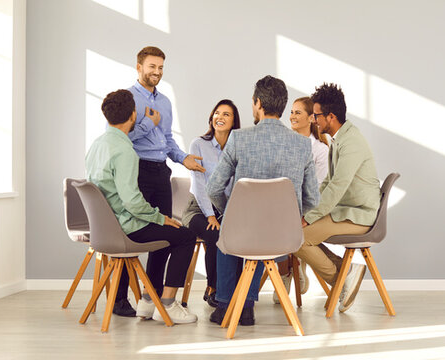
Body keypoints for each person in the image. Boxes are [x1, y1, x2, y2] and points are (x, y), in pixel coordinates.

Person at [206, 75, 319, 325]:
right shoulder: (302, 145)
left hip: (243, 231)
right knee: (261, 232)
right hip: (283, 236)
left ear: (257, 103)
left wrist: (229, 211)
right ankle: (246, 305)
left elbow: (213, 188)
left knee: (231, 225)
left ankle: (224, 305)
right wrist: (294, 215)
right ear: (282, 105)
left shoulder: (239, 138)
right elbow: (313, 198)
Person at [85, 89, 198, 324]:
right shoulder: (125, 150)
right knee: (185, 236)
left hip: (107, 228)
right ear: (134, 115)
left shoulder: (97, 145)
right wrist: (160, 218)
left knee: (174, 232)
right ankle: (167, 304)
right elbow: (132, 202)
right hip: (126, 227)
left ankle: (149, 301)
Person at [110, 46, 207, 317]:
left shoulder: (164, 101)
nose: (157, 72)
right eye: (152, 66)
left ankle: (149, 300)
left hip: (160, 171)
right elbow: (119, 138)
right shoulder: (127, 99)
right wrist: (146, 125)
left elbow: (167, 139)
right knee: (131, 232)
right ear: (139, 66)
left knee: (163, 239)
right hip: (136, 170)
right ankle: (118, 301)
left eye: (161, 67)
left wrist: (182, 158)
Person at [293, 83, 380, 313]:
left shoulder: (351, 143)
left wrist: (309, 218)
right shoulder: (340, 138)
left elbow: (337, 188)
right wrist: (308, 210)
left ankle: (341, 279)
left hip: (360, 215)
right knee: (297, 234)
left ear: (330, 117)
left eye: (317, 115)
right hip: (347, 210)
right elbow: (327, 183)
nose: (314, 120)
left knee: (296, 239)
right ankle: (345, 272)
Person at [181, 99, 241, 308]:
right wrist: (210, 215)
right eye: (217, 113)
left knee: (238, 234)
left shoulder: (238, 148)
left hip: (225, 207)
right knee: (214, 233)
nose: (220, 117)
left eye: (226, 114)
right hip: (198, 208)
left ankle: (236, 289)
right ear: (211, 117)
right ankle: (214, 288)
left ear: (234, 121)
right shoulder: (198, 144)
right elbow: (199, 185)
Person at [276, 97, 330, 296]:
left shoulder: (321, 150)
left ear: (311, 118)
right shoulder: (284, 145)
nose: (292, 116)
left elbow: (321, 189)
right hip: (284, 204)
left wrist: (303, 213)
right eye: (291, 112)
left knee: (284, 225)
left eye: (298, 113)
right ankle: (286, 270)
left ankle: (293, 265)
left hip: (307, 209)